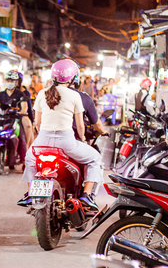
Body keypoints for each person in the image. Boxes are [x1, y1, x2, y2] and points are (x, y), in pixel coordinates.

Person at [18, 59, 104, 211]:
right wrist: (83, 139)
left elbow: (37, 123)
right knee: (95, 158)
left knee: (30, 158)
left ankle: (32, 192)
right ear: (72, 78)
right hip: (66, 142)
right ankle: (86, 195)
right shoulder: (74, 95)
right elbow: (80, 126)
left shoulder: (41, 93)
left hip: (43, 141)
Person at [70, 73, 108, 141]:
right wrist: (103, 131)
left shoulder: (49, 95)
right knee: (94, 152)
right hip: (72, 141)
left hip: (47, 140)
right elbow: (95, 124)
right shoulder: (83, 98)